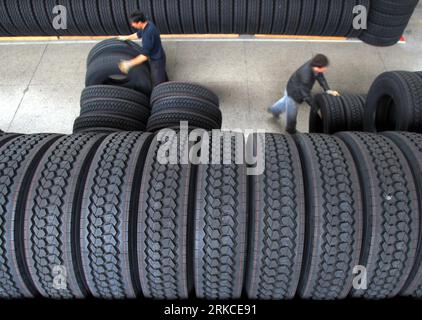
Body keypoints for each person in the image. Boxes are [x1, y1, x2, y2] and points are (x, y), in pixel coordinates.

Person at [268, 54, 340, 134]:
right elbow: (306, 95)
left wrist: (328, 90)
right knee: (292, 113)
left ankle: (273, 110)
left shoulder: (314, 65)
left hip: (292, 87)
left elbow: (321, 78)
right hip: (294, 95)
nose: (325, 69)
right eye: (324, 67)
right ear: (317, 67)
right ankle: (290, 129)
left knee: (285, 101)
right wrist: (317, 109)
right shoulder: (306, 76)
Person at [117, 11, 168, 86]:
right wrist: (126, 37)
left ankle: (164, 94)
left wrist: (128, 64)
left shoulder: (148, 34)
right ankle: (167, 84)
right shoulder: (148, 24)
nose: (132, 25)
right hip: (158, 55)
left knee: (158, 84)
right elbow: (138, 34)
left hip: (157, 60)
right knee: (162, 75)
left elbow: (144, 56)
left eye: (133, 24)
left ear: (140, 22)